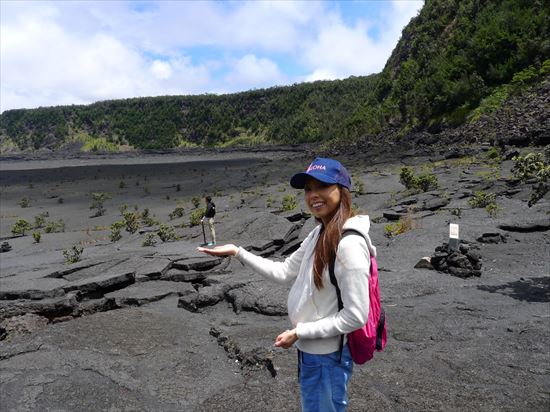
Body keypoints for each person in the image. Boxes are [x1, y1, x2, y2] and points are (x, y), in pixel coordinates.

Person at [198, 157, 376, 412]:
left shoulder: (348, 245)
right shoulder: (319, 233)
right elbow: (283, 271)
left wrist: (301, 332)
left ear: (342, 190)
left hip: (327, 356)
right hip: (313, 352)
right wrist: (237, 252)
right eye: (308, 189)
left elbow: (356, 315)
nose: (313, 195)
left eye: (322, 186)